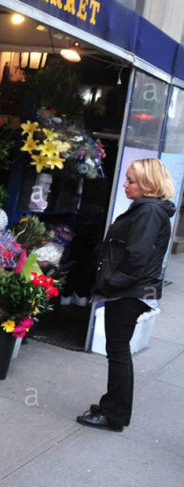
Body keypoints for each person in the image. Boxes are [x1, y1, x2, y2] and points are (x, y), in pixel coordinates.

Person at [78, 158, 176, 432]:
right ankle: (114, 407)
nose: (125, 184)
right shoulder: (149, 209)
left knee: (118, 352)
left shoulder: (149, 211)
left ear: (147, 184)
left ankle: (114, 414)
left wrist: (110, 283)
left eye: (131, 180)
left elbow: (137, 256)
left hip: (130, 292)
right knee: (118, 351)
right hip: (132, 290)